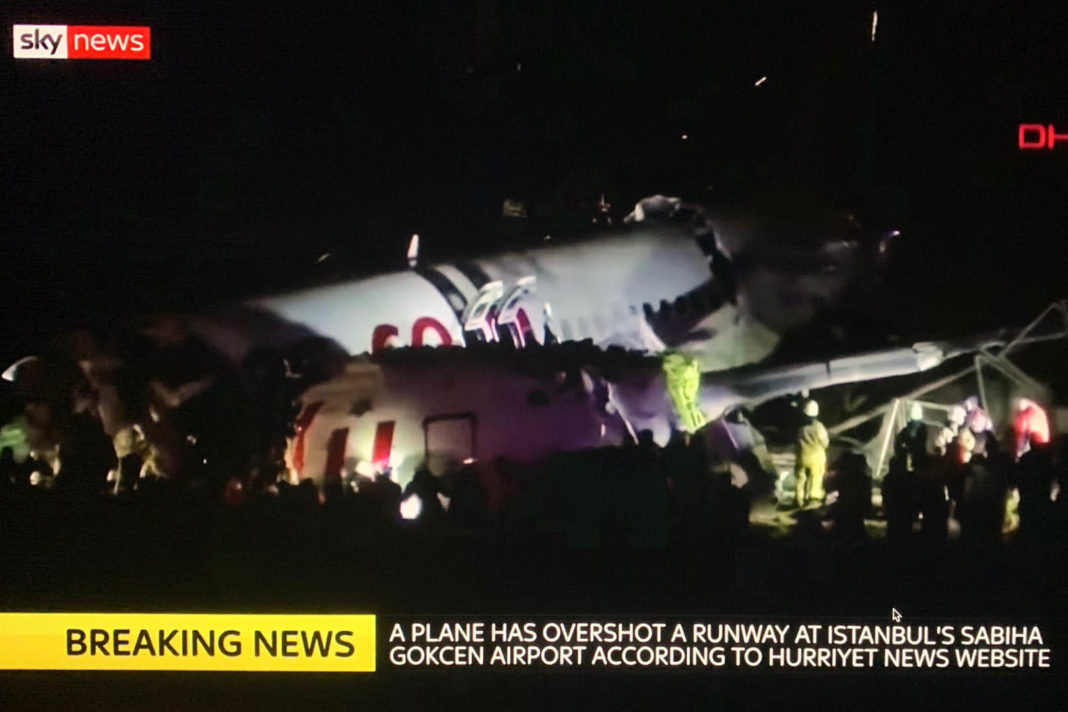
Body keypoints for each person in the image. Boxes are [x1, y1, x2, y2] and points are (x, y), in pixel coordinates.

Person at [794, 399, 829, 508]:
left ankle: (799, 499)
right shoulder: (819, 427)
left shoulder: (801, 428)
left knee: (801, 478)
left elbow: (796, 442)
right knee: (816, 478)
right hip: (816, 458)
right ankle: (813, 499)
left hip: (802, 457)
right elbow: (825, 442)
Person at [895, 402, 929, 471]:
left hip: (914, 454)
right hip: (916, 455)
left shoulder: (910, 428)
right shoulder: (922, 427)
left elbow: (900, 440)